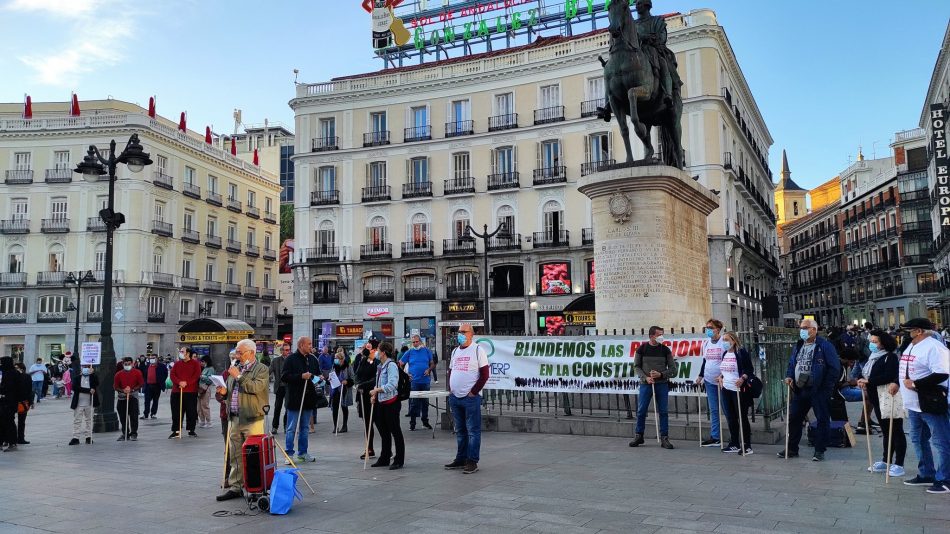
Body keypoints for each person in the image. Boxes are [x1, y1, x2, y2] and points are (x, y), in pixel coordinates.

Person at [897, 318, 950, 493]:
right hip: (914, 403)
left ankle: (945, 478)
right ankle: (926, 473)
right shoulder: (913, 345)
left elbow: (942, 373)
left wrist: (917, 384)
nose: (905, 334)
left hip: (930, 401)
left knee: (941, 440)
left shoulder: (934, 347)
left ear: (919, 331)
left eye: (908, 330)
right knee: (918, 439)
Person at [216, 339, 271, 502]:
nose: (237, 356)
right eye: (237, 352)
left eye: (240, 352)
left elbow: (255, 388)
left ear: (251, 353)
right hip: (234, 417)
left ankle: (256, 487)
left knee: (253, 454)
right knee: (235, 454)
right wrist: (223, 392)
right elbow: (229, 392)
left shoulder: (261, 369)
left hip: (252, 417)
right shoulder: (236, 369)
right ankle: (235, 486)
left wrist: (238, 376)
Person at [779, 319, 841, 462]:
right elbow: (792, 363)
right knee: (794, 417)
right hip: (800, 388)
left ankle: (819, 450)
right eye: (801, 328)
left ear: (814, 330)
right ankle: (792, 448)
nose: (802, 330)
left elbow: (834, 368)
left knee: (822, 419)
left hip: (818, 389)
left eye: (805, 328)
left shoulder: (824, 346)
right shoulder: (799, 345)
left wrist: (826, 387)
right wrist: (789, 376)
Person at [857, 329, 906, 477]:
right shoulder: (873, 357)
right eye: (871, 341)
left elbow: (889, 375)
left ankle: (899, 464)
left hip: (888, 396)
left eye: (875, 342)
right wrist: (862, 380)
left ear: (883, 343)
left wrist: (869, 381)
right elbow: (866, 373)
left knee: (896, 430)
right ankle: (886, 460)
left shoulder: (889, 357)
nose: (872, 344)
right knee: (886, 431)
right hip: (876, 397)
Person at [445, 323, 489, 474]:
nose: (460, 334)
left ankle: (472, 460)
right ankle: (460, 458)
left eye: (463, 331)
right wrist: (450, 388)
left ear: (471, 334)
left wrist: (474, 392)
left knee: (473, 430)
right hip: (455, 397)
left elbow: (484, 374)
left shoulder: (478, 350)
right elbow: (451, 370)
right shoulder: (455, 351)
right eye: (459, 332)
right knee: (460, 430)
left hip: (470, 398)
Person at [630, 326, 677, 449]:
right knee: (641, 411)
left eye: (662, 334)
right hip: (646, 384)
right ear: (651, 336)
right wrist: (645, 378)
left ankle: (664, 437)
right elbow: (636, 366)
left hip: (661, 384)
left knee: (663, 411)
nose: (661, 337)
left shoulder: (665, 350)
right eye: (659, 335)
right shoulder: (642, 349)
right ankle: (639, 435)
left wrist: (661, 374)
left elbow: (673, 369)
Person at [282, 336, 321, 463]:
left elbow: (316, 375)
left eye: (311, 344)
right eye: (309, 344)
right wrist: (300, 376)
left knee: (305, 428)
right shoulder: (291, 359)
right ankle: (289, 454)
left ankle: (303, 452)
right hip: (294, 398)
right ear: (301, 345)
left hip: (308, 398)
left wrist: (319, 378)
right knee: (291, 428)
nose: (311, 346)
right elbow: (285, 376)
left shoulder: (313, 359)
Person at [633, 0, 681, 105]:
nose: (637, 6)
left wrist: (647, 38)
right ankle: (609, 102)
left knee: (663, 63)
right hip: (637, 51)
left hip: (653, 49)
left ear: (647, 5)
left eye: (639, 3)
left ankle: (668, 94)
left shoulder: (657, 21)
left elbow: (661, 38)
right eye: (636, 4)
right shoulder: (633, 24)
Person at [717, 332, 755, 455]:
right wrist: (721, 377)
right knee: (731, 417)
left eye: (726, 340)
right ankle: (734, 443)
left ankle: (747, 445)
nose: (724, 342)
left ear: (733, 341)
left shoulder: (740, 352)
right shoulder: (725, 353)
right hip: (726, 388)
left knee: (742, 417)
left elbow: (749, 369)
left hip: (739, 390)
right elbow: (725, 369)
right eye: (723, 340)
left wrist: (742, 378)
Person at [369, 342, 405, 469]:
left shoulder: (391, 366)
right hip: (381, 402)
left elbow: (392, 384)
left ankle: (399, 459)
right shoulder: (380, 366)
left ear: (383, 352)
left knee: (395, 431)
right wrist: (375, 395)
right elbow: (378, 383)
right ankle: (384, 457)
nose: (377, 352)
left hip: (391, 403)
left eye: (378, 350)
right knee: (383, 432)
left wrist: (377, 390)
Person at [695, 318, 726, 447]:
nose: (707, 330)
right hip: (709, 380)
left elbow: (729, 360)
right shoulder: (706, 343)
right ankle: (715, 437)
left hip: (723, 381)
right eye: (706, 328)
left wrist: (723, 375)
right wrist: (701, 375)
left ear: (717, 329)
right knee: (714, 410)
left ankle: (736, 436)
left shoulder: (724, 342)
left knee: (727, 409)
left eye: (710, 328)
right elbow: (704, 361)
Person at [400, 334, 435, 431]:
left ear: (420, 341)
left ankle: (425, 421)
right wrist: (405, 375)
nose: (415, 343)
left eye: (416, 341)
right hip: (414, 382)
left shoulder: (427, 351)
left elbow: (432, 364)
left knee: (425, 402)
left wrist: (429, 369)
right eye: (413, 342)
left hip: (425, 381)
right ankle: (413, 422)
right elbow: (400, 364)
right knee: (414, 403)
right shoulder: (409, 352)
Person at [354, 340, 380, 459]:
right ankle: (369, 448)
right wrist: (358, 384)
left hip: (373, 395)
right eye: (365, 347)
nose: (366, 349)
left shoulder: (377, 361)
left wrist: (363, 385)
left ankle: (387, 449)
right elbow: (357, 374)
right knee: (367, 423)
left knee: (379, 423)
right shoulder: (363, 360)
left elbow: (376, 379)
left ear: (374, 349)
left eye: (368, 348)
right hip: (362, 395)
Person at [169, 347, 201, 438]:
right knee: (176, 411)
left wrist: (186, 383)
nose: (181, 353)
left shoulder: (195, 364)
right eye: (180, 352)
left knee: (191, 411)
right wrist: (179, 382)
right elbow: (172, 374)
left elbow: (196, 375)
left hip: (190, 391)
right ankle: (176, 430)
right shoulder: (177, 364)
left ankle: (191, 430)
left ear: (188, 354)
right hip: (177, 391)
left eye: (182, 352)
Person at [114, 356, 144, 441]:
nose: (127, 365)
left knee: (134, 416)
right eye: (125, 364)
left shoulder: (137, 372)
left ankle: (134, 433)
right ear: (123, 364)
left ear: (132, 363)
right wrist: (123, 390)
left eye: (129, 364)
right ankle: (125, 433)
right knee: (123, 417)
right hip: (122, 398)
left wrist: (132, 389)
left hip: (133, 397)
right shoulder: (118, 374)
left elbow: (141, 383)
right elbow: (115, 386)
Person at [69, 364, 99, 445]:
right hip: (78, 403)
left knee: (89, 420)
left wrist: (92, 374)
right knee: (77, 420)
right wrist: (88, 390)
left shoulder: (92, 377)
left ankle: (88, 436)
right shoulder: (77, 378)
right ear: (81, 368)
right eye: (84, 367)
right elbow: (75, 388)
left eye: (88, 367)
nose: (86, 369)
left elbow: (96, 383)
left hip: (89, 403)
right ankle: (76, 437)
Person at [0, 357, 23, 451]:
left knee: (9, 422)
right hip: (7, 401)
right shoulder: (11, 372)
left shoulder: (11, 374)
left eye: (2, 363)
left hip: (9, 402)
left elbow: (8, 388)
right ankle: (5, 441)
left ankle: (12, 443)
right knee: (3, 422)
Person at [330, 348, 353, 433]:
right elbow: (331, 375)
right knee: (335, 408)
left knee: (344, 407)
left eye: (337, 359)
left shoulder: (348, 366)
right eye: (335, 358)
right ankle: (335, 426)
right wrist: (329, 379)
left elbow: (352, 378)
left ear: (342, 359)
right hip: (335, 390)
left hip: (344, 390)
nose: (335, 360)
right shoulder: (334, 366)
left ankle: (344, 425)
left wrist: (347, 381)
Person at [270, 343, 290, 435]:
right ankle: (275, 426)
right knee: (277, 407)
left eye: (288, 349)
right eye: (286, 350)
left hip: (289, 387)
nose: (288, 351)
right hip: (279, 387)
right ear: (281, 351)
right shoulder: (276, 360)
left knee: (287, 407)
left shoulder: (291, 360)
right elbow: (268, 371)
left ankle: (286, 426)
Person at [141, 354, 167, 419]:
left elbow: (165, 374)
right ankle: (145, 414)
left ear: (157, 358)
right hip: (148, 386)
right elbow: (144, 374)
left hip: (157, 386)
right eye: (151, 358)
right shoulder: (147, 366)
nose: (152, 359)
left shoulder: (162, 366)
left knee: (155, 400)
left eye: (153, 358)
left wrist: (161, 381)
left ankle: (153, 413)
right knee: (147, 401)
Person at [14, 361, 32, 445]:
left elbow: (29, 390)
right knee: (11, 421)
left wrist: (30, 402)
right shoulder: (13, 377)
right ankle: (13, 438)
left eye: (17, 368)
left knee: (21, 421)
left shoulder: (27, 377)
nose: (15, 370)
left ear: (22, 368)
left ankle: (21, 438)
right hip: (14, 401)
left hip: (23, 401)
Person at [198, 355, 215, 429]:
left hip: (206, 388)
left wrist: (202, 377)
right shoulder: (204, 368)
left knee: (204, 406)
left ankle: (209, 422)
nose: (201, 363)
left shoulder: (210, 369)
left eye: (203, 361)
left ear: (206, 361)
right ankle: (202, 421)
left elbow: (210, 380)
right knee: (199, 407)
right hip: (200, 388)